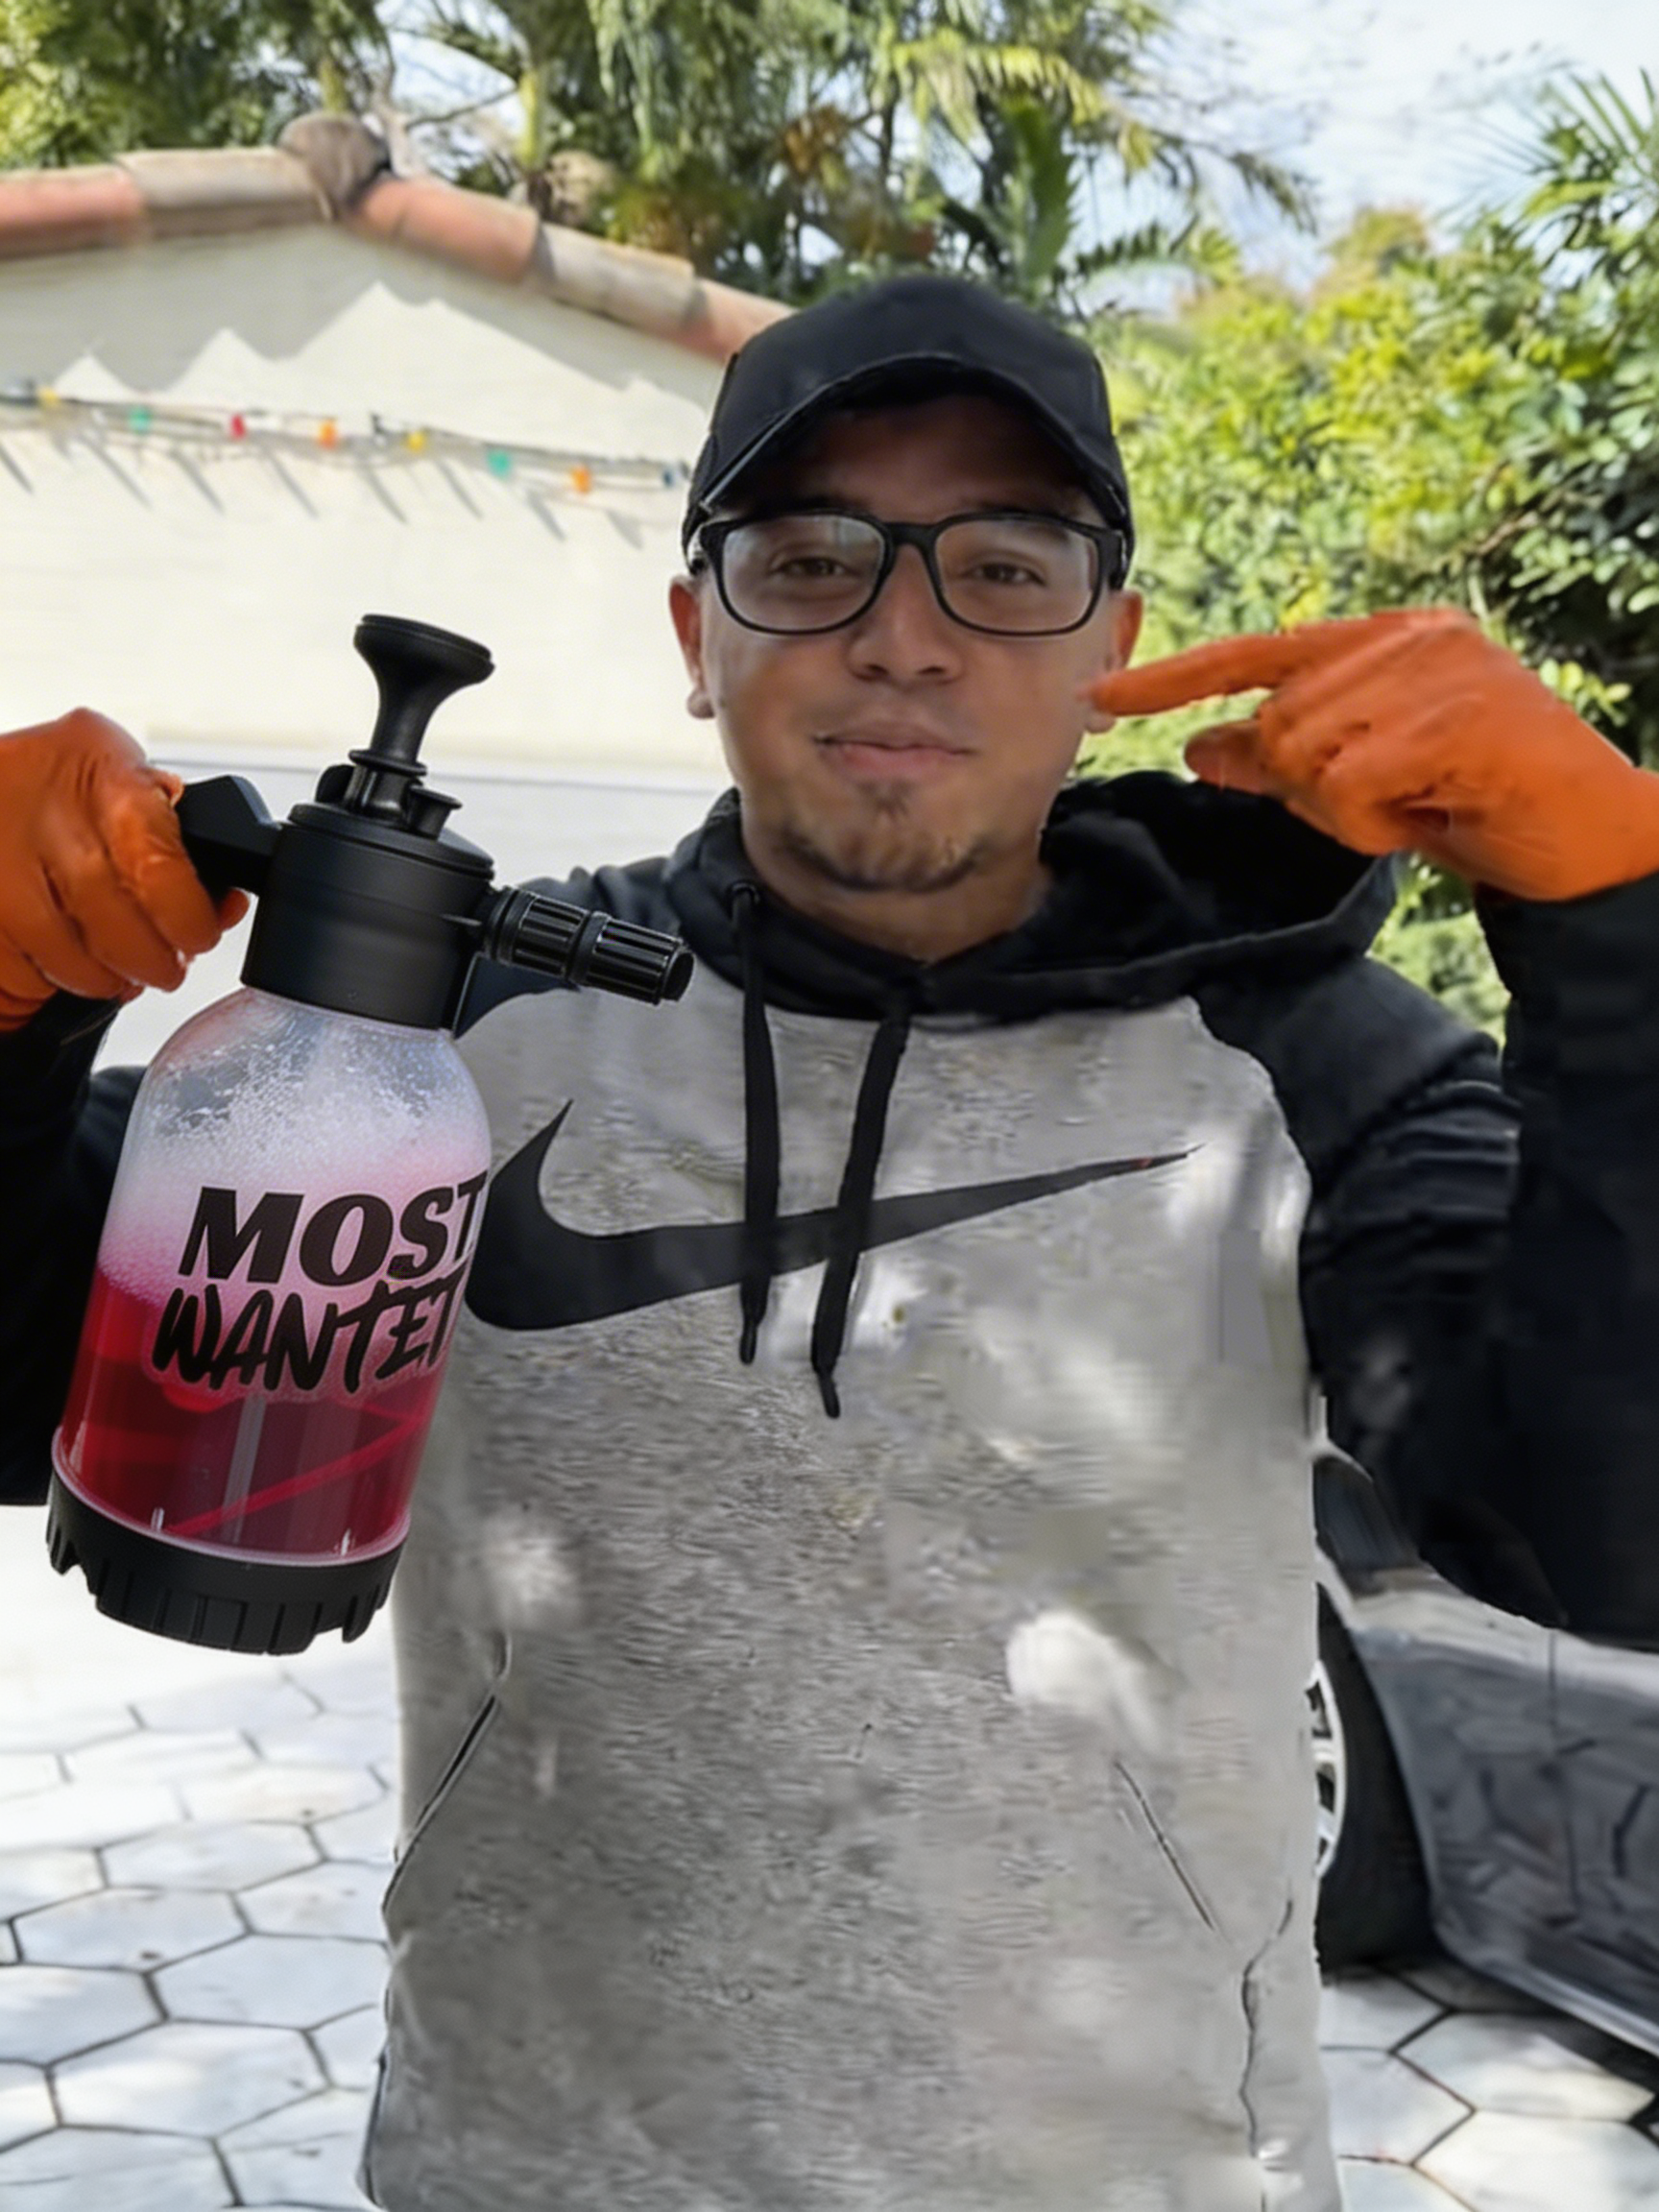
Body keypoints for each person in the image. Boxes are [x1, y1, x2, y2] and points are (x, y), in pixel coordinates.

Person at [4, 272, 1659, 2212]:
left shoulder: (1307, 1059)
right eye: (809, 560)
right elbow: (37, 1388)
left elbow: (1599, 1537)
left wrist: (1620, 935)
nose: (903, 635)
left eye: (1006, 565)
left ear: (1113, 642)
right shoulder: (458, 1036)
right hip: (531, 2165)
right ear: (695, 634)